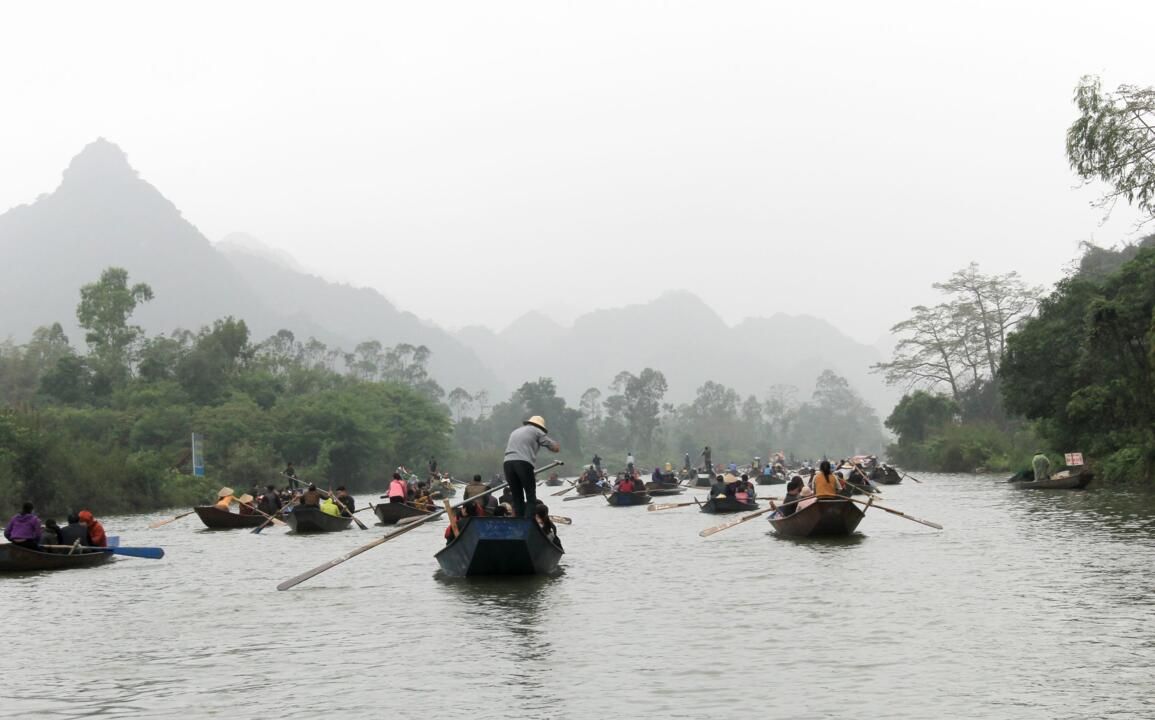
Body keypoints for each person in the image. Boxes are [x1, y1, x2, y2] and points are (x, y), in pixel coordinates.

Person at [502, 415, 560, 519]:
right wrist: (557, 445)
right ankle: (528, 523)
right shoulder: (537, 431)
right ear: (540, 427)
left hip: (507, 464)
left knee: (517, 497)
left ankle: (519, 522)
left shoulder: (515, 431)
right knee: (530, 497)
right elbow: (554, 448)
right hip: (523, 463)